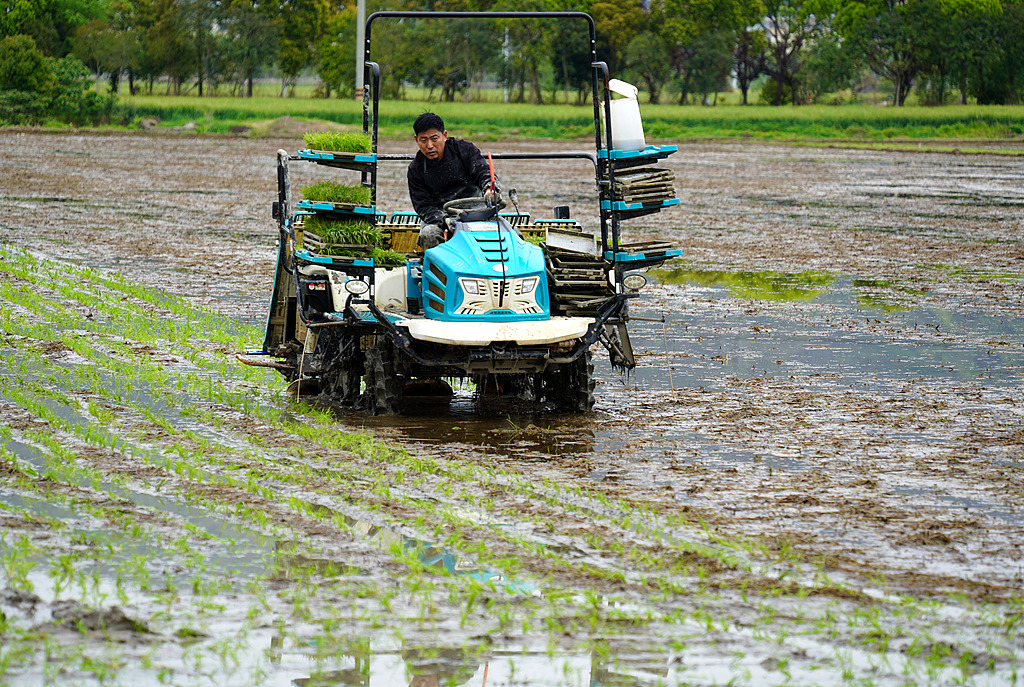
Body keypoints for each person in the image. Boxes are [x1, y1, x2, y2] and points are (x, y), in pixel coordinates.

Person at [407, 112, 499, 249]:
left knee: (511, 234)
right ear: (416, 140)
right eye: (424, 140)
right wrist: (444, 219)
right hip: (441, 218)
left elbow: (483, 172)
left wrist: (490, 189)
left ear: (444, 136)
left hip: (477, 212)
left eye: (434, 138)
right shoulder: (416, 169)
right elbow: (423, 206)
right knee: (429, 236)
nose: (430, 145)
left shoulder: (464, 150)